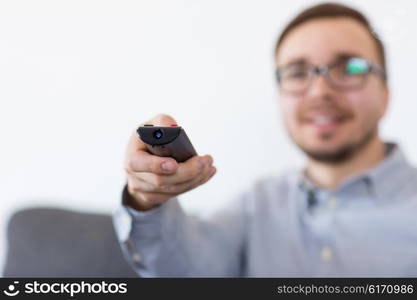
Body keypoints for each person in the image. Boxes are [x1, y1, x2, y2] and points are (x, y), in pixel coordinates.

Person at [113, 2, 417, 277]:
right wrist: (147, 200)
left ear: (385, 95)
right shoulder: (256, 205)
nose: (320, 91)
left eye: (350, 68)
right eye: (298, 73)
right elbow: (185, 273)